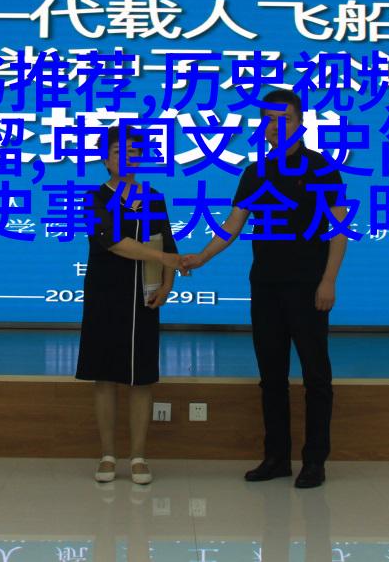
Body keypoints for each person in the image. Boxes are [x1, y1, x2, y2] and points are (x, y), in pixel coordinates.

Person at [182, 89, 350, 488]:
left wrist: (329, 280)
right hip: (266, 286)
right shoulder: (255, 172)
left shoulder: (322, 169)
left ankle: (315, 460)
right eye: (269, 120)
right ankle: (276, 457)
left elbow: (339, 229)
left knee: (316, 376)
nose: (276, 127)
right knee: (271, 377)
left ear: (301, 123)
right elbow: (233, 224)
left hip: (309, 286)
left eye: (284, 119)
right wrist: (201, 257)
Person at [76, 124, 185, 485]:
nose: (127, 158)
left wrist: (167, 284)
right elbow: (112, 242)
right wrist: (164, 259)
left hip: (145, 297)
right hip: (105, 294)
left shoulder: (154, 197)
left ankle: (138, 457)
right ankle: (108, 456)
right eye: (118, 152)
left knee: (142, 378)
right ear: (105, 158)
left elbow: (167, 242)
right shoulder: (94, 198)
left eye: (134, 152)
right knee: (105, 376)